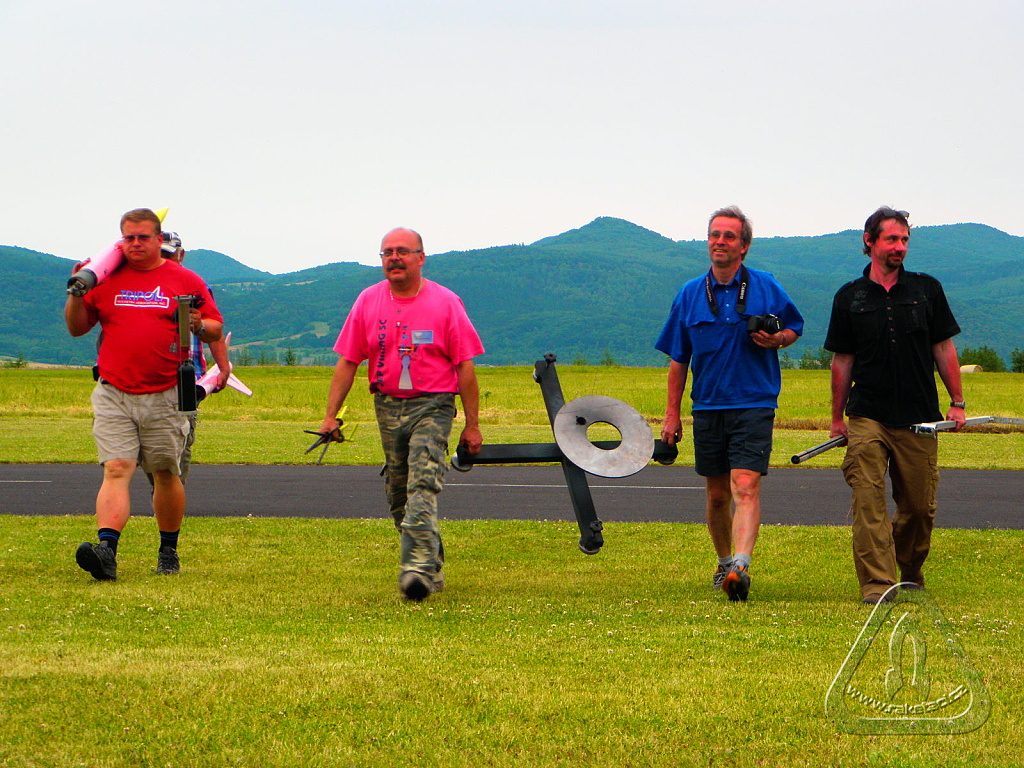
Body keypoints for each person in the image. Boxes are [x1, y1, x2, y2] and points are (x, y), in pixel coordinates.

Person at [316, 227, 484, 602]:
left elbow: (465, 366)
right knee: (398, 493)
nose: (394, 258)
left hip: (433, 403)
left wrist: (472, 426)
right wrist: (330, 416)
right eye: (387, 252)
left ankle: (417, 569)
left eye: (402, 251)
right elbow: (348, 362)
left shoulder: (446, 303)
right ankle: (431, 561)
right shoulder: (367, 301)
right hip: (387, 404)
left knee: (423, 481)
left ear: (420, 258)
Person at [64, 208, 223, 580]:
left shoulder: (184, 279)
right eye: (128, 237)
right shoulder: (104, 277)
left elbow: (215, 327)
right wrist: (75, 293)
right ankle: (107, 551)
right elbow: (77, 328)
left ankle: (168, 550)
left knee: (165, 471)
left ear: (158, 239)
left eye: (143, 237)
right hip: (114, 390)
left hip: (166, 391)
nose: (135, 244)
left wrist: (199, 325)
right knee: (116, 468)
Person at [656, 206, 804, 601]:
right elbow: (678, 360)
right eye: (714, 235)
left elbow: (795, 326)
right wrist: (671, 415)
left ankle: (741, 566)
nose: (720, 242)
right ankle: (724, 563)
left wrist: (777, 339)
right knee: (718, 494)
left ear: (744, 246)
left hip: (754, 402)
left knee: (745, 485)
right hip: (707, 406)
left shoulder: (766, 286)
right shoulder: (689, 293)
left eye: (729, 236)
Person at [824, 206, 965, 605]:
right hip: (867, 415)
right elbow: (842, 362)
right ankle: (877, 584)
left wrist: (957, 402)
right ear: (869, 241)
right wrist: (837, 418)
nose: (900, 246)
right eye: (891, 239)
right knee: (868, 500)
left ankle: (910, 569)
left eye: (904, 240)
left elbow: (943, 348)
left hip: (919, 417)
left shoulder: (927, 290)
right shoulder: (849, 297)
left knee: (918, 508)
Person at [155, 232, 230, 482]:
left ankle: (171, 496)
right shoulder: (145, 289)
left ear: (181, 254)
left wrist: (223, 368)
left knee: (180, 451)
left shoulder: (196, 286)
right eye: (160, 254)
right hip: (152, 381)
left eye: (169, 255)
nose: (165, 260)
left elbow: (214, 327)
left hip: (188, 381)